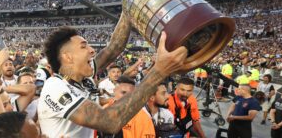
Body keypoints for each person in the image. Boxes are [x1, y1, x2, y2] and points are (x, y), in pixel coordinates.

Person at [38, 26, 187, 138]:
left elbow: (114, 47)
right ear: (68, 57)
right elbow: (109, 122)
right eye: (84, 46)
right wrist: (160, 71)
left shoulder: (83, 80)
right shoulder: (55, 87)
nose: (92, 50)